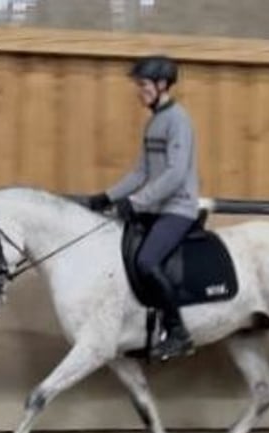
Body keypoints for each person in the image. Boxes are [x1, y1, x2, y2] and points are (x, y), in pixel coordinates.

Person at [88, 55, 199, 361]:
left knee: (147, 261)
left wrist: (136, 202)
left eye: (144, 85)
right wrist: (106, 197)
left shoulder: (179, 120)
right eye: (138, 85)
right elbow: (140, 172)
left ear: (163, 85)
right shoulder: (155, 122)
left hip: (178, 209)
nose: (139, 91)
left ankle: (179, 333)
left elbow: (175, 175)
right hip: (155, 208)